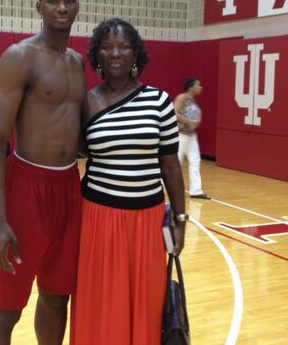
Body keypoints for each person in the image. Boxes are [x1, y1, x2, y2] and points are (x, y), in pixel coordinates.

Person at [0, 0, 85, 345]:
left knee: (57, 299)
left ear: (78, 5)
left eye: (69, 0)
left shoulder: (77, 62)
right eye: (53, 0)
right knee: (7, 307)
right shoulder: (20, 57)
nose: (62, 7)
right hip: (26, 188)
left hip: (69, 189)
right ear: (38, 5)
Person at [71, 18, 187, 345]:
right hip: (97, 218)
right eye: (107, 47)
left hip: (148, 223)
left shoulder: (159, 101)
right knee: (101, 302)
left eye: (123, 46)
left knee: (145, 304)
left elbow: (171, 166)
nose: (116, 53)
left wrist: (180, 220)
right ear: (97, 55)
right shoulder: (87, 102)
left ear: (136, 52)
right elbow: (77, 149)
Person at [173, 77, 210, 199]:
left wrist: (195, 122)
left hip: (191, 136)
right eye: (198, 85)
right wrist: (189, 121)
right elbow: (173, 113)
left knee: (195, 161)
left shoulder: (193, 101)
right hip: (180, 134)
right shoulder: (182, 98)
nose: (201, 87)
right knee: (176, 163)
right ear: (191, 87)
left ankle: (196, 191)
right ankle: (163, 186)